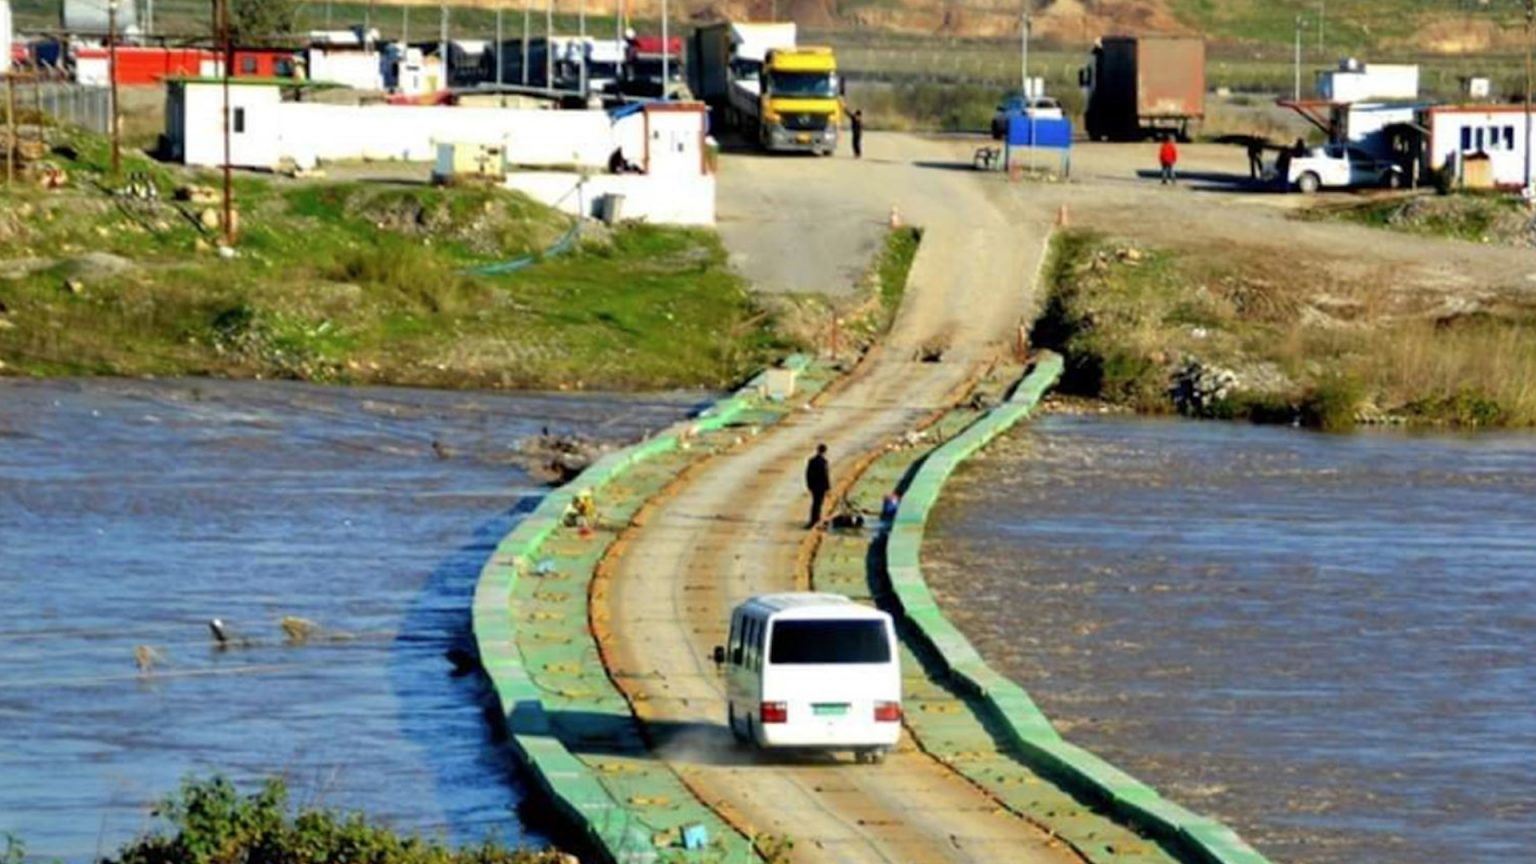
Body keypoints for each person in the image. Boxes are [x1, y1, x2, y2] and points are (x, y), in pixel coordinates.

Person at [804, 444, 831, 529]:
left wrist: (809, 485)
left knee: (815, 503)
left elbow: (808, 474)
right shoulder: (823, 462)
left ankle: (814, 519)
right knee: (818, 504)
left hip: (814, 486)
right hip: (821, 487)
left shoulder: (811, 461)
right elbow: (825, 476)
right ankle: (816, 520)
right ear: (825, 451)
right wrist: (828, 487)